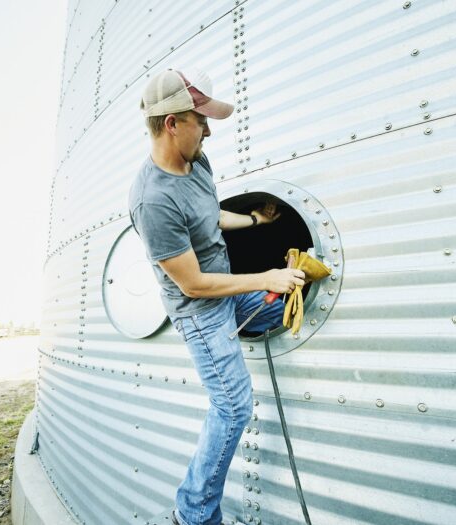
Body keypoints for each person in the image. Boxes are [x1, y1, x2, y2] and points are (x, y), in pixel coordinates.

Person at [128, 68, 306, 525]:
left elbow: (210, 215)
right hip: (201, 313)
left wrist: (256, 223)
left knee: (284, 308)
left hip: (226, 294)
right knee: (233, 406)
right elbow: (193, 285)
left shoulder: (197, 161)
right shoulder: (153, 201)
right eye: (200, 121)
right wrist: (266, 277)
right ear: (171, 124)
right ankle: (194, 514)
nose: (208, 130)